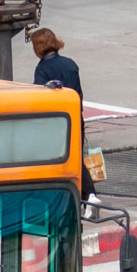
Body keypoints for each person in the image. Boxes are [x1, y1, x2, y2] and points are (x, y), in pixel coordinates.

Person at [30, 27, 98, 203]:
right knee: (76, 157)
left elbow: (40, 98)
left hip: (55, 123)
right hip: (75, 117)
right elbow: (78, 92)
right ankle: (88, 196)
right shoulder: (70, 64)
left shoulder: (42, 69)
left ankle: (84, 195)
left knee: (57, 159)